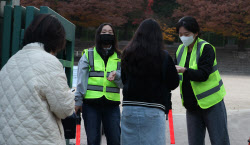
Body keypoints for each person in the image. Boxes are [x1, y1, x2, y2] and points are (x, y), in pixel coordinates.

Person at [0, 14, 75, 145]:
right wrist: (70, 94)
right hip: (39, 138)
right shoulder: (49, 62)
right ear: (56, 40)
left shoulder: (11, 61)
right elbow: (64, 110)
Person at [120, 19, 179, 145]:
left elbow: (124, 79)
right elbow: (173, 83)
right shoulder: (163, 56)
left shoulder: (127, 53)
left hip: (129, 107)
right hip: (154, 107)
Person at [175, 16, 230, 145]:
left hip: (212, 103)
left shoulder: (206, 48)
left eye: (186, 34)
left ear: (196, 33)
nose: (183, 37)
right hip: (191, 104)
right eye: (180, 34)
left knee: (219, 141)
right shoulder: (180, 50)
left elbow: (203, 74)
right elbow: (174, 72)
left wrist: (185, 70)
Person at [74, 23, 123, 145]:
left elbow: (124, 83)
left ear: (114, 36)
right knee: (93, 140)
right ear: (98, 35)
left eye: (110, 32)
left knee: (115, 140)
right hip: (91, 104)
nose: (107, 34)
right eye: (104, 32)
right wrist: (78, 101)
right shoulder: (88, 54)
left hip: (112, 105)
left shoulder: (120, 56)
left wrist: (116, 76)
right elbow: (81, 80)